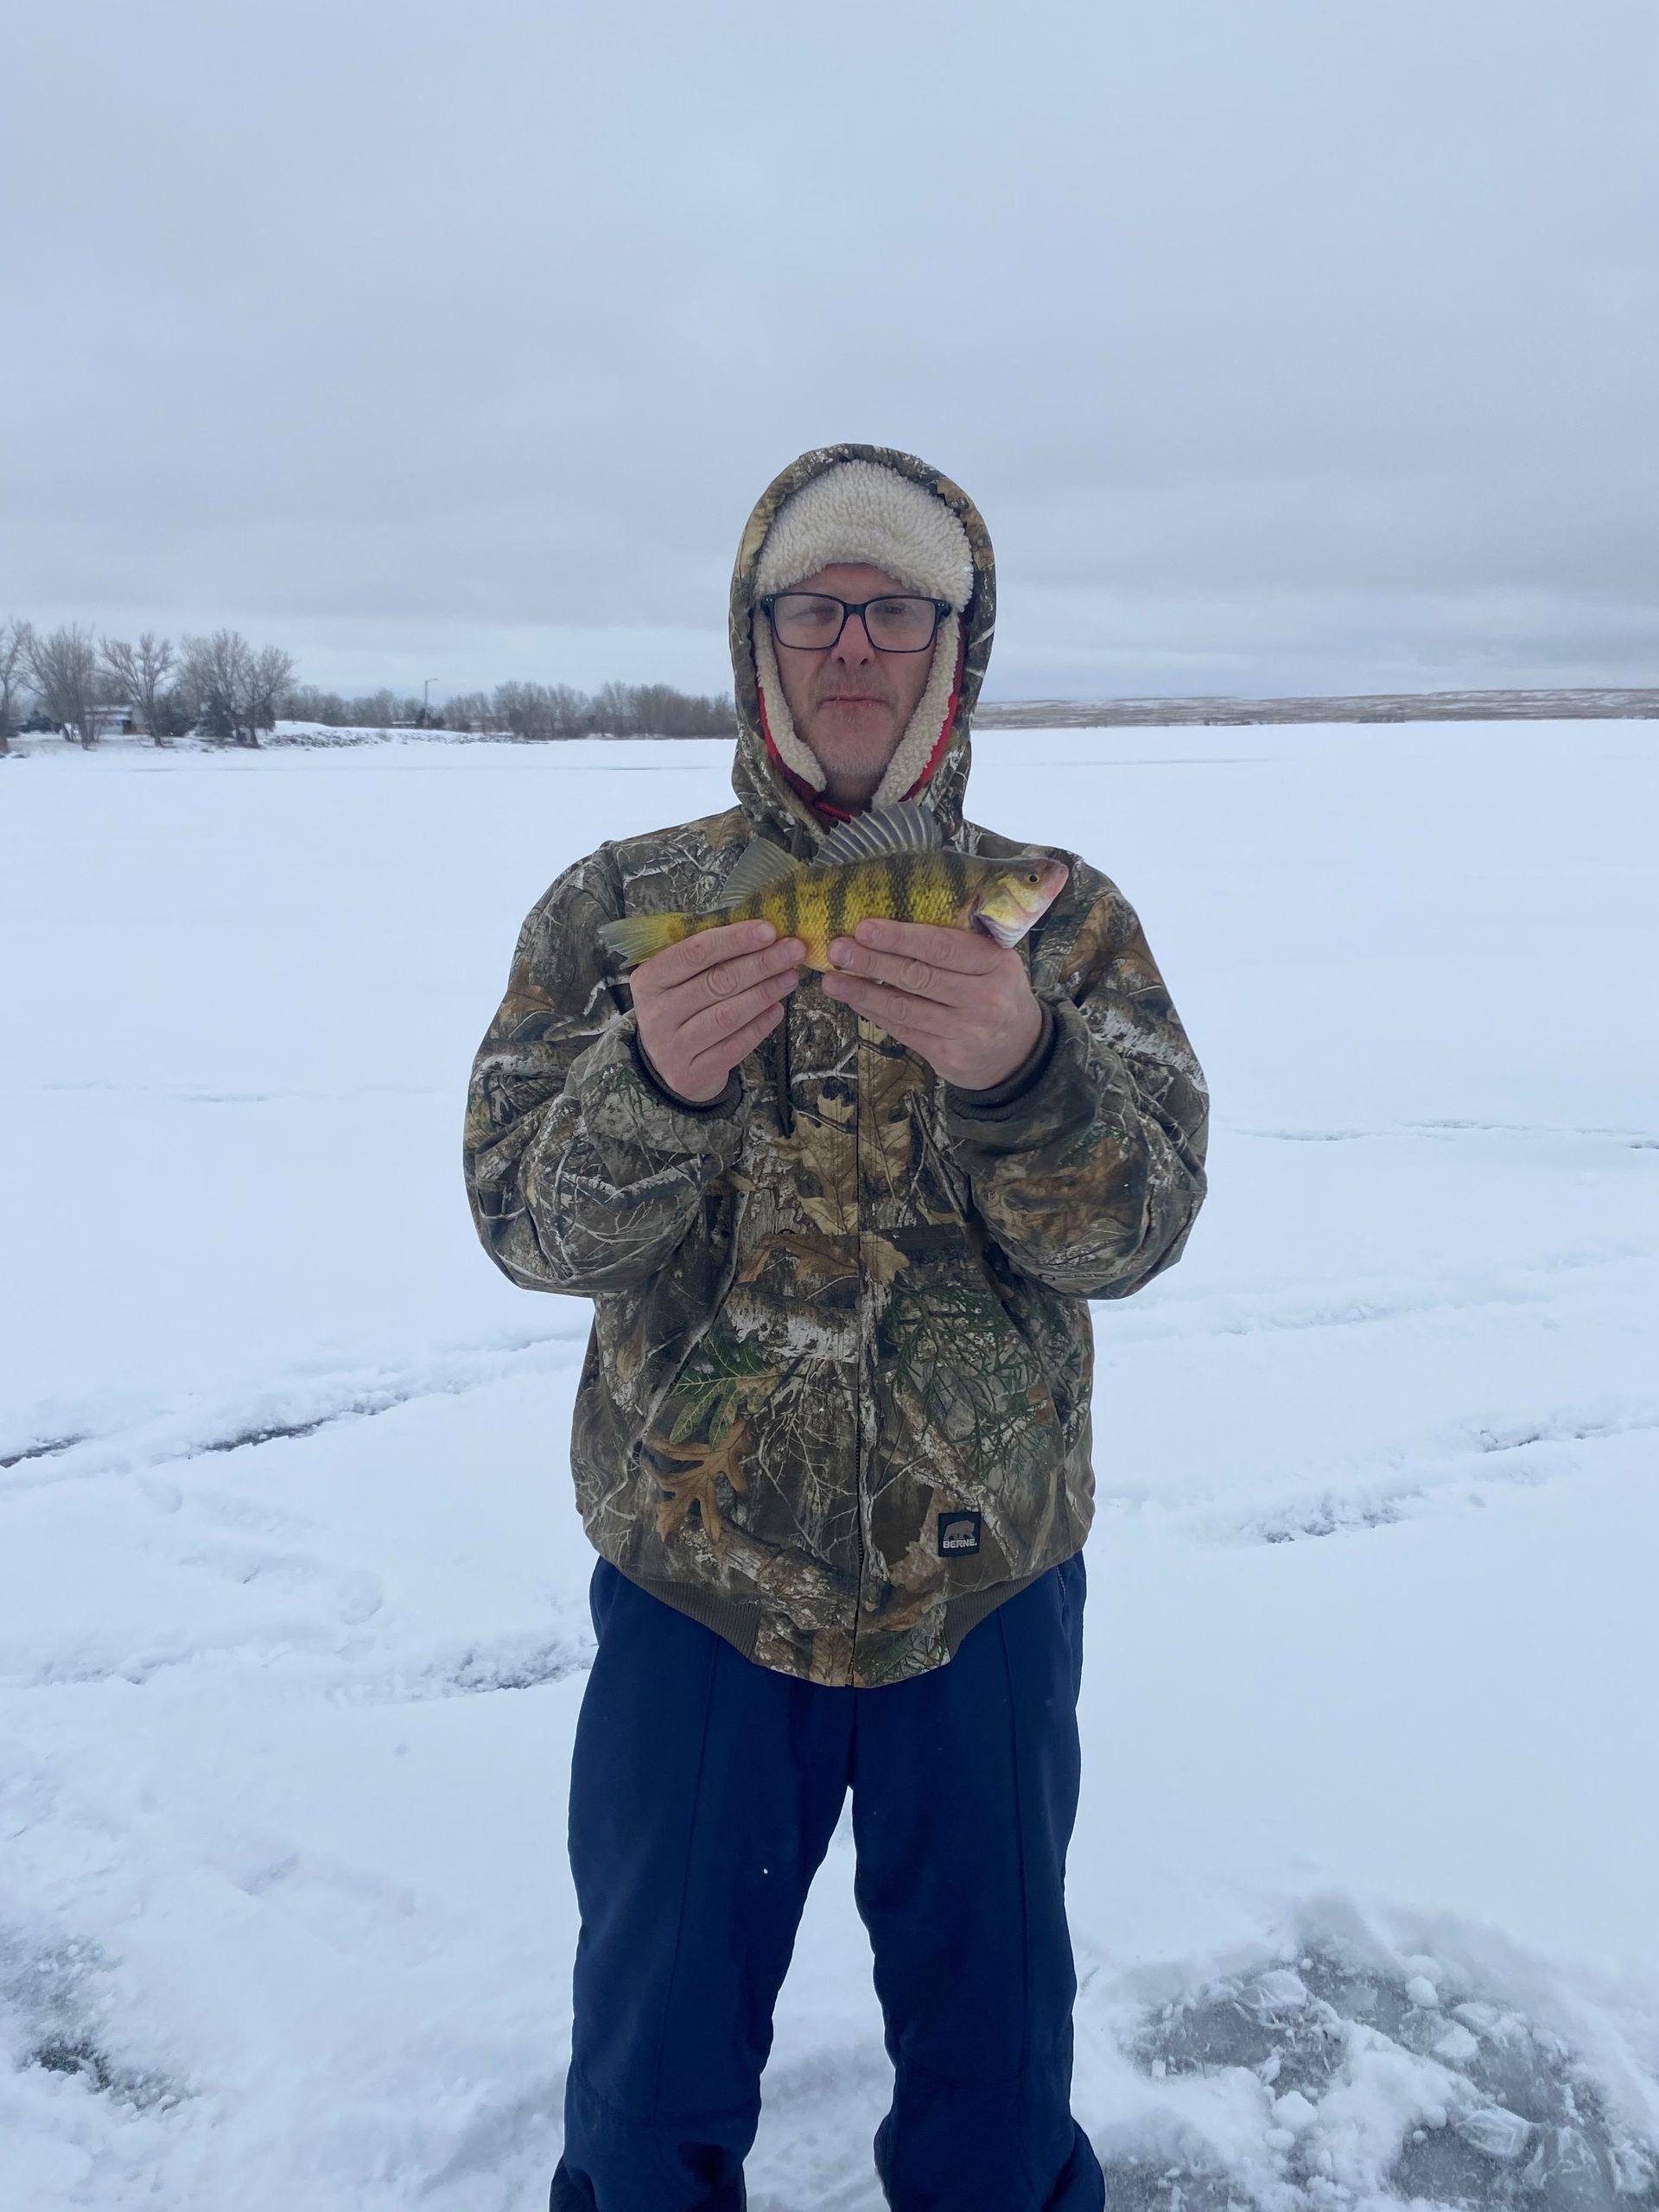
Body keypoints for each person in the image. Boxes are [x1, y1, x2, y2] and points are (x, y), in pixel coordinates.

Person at [464, 444, 1209, 2211]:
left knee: (997, 2077)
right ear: (760, 635)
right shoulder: (614, 908)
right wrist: (649, 1079)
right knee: (649, 2074)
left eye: (897, 607)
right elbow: (524, 1222)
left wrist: (1027, 1072)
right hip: (695, 1581)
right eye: (818, 606)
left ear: (957, 645)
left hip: (989, 1584)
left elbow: (1142, 1226)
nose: (855, 642)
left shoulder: (1065, 916)